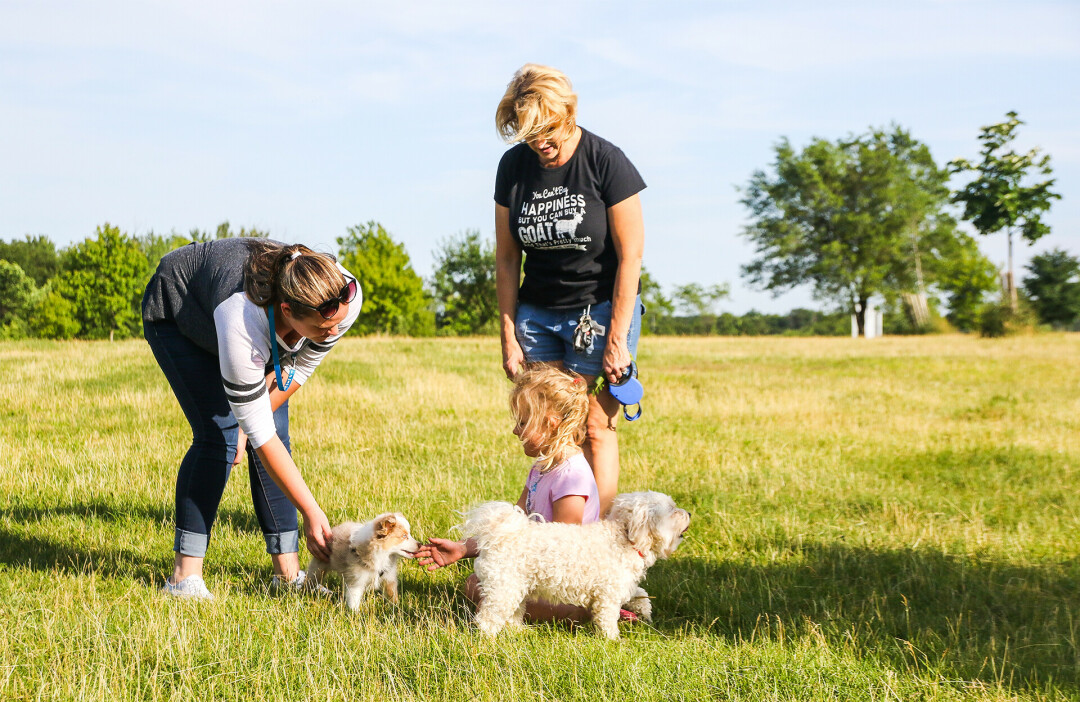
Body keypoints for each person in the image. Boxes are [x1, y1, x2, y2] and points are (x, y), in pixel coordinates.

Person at [141, 238, 362, 599]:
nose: (333, 334)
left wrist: (255, 424)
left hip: (254, 326)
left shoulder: (342, 296)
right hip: (181, 312)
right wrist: (310, 509)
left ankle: (288, 576)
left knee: (273, 433)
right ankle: (184, 578)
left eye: (337, 324)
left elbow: (298, 371)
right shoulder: (240, 319)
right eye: (324, 329)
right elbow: (256, 432)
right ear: (288, 309)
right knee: (221, 435)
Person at [493, 63, 646, 517]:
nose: (541, 145)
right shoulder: (513, 168)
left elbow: (631, 256)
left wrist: (618, 339)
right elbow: (506, 257)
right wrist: (507, 331)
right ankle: (555, 536)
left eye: (549, 131)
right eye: (530, 136)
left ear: (569, 112)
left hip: (597, 314)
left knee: (595, 424)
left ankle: (597, 546)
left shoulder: (606, 161)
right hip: (538, 315)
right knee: (553, 429)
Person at [416, 365, 639, 625]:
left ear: (550, 424)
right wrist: (464, 549)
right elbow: (511, 526)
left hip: (563, 585)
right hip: (534, 569)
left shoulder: (572, 477)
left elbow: (564, 551)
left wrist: (514, 574)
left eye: (523, 422)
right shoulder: (541, 468)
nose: (515, 430)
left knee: (485, 589)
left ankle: (588, 611)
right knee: (476, 582)